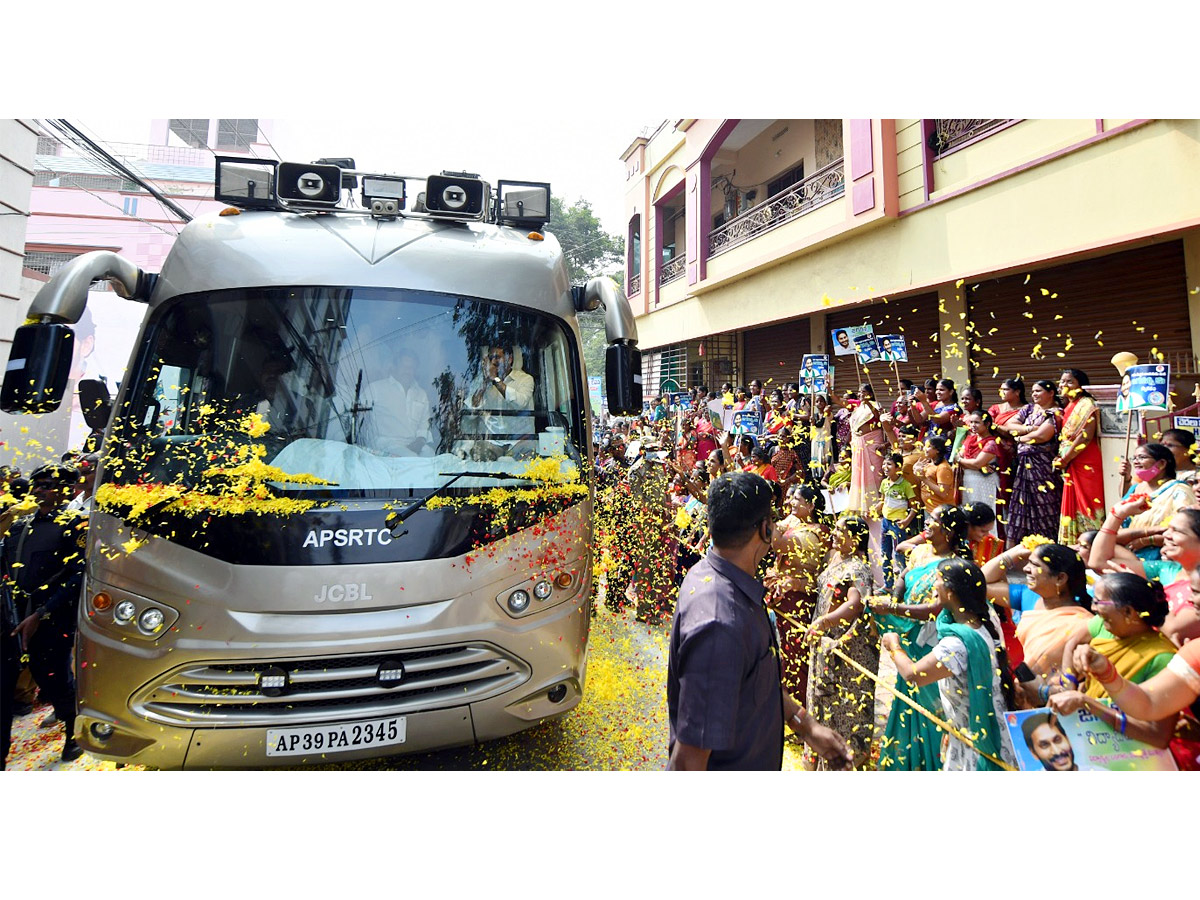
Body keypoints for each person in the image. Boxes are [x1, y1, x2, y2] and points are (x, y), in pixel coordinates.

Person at [667, 472, 852, 770]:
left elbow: (753, 680)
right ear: (766, 530)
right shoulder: (719, 624)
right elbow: (689, 762)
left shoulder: (724, 579)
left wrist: (804, 725)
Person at [882, 557, 1018, 770]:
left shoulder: (957, 644)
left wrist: (894, 646)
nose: (933, 585)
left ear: (951, 592)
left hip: (977, 741)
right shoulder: (981, 619)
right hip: (966, 730)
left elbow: (913, 674)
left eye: (937, 580)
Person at [869, 504, 973, 770]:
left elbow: (934, 610)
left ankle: (932, 765)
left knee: (930, 702)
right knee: (908, 696)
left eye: (934, 520)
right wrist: (895, 594)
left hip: (931, 640)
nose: (926, 523)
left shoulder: (955, 567)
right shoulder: (921, 552)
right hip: (910, 635)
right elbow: (904, 574)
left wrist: (892, 609)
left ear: (949, 532)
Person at [1, 464, 87, 764]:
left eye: (46, 484)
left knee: (54, 681)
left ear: (65, 489)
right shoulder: (18, 526)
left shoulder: (77, 525)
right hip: (12, 620)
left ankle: (73, 731)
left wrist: (41, 614)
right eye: (36, 484)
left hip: (52, 621)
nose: (38, 489)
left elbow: (78, 576)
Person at [805, 515, 881, 769]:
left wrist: (824, 623)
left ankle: (844, 761)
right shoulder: (836, 558)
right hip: (825, 641)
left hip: (846, 649)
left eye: (841, 531)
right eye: (835, 529)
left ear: (855, 539)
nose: (835, 534)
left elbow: (854, 604)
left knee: (845, 706)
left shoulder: (858, 568)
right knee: (821, 703)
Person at [985, 543, 1093, 688]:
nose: (1025, 569)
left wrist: (1043, 693)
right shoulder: (1029, 596)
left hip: (1061, 699)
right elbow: (980, 583)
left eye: (1035, 565)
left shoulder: (1084, 623)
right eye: (1028, 562)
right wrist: (1012, 555)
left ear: (1060, 578)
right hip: (1023, 691)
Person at [767, 484, 831, 701]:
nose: (791, 502)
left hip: (799, 599)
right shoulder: (794, 521)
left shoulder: (816, 532)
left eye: (797, 499)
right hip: (784, 596)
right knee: (783, 651)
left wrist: (769, 512)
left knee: (796, 654)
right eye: (791, 498)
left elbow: (778, 545)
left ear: (811, 506)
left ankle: (798, 707)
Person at [1002, 379, 1063, 546]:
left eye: (1039, 391)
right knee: (1021, 505)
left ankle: (1048, 547)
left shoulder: (1055, 412)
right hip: (1024, 465)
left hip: (1043, 467)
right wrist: (1030, 430)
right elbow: (1010, 425)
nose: (1034, 394)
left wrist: (1020, 438)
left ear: (1051, 393)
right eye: (1033, 391)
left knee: (1044, 504)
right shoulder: (1029, 408)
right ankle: (1018, 549)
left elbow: (1044, 436)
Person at [1118, 443, 1193, 559]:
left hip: (1161, 557)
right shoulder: (1135, 487)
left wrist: (1147, 540)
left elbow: (1187, 531)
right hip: (1128, 555)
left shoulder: (1179, 490)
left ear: (1162, 464)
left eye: (1142, 457)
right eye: (1135, 458)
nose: (1136, 462)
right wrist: (1126, 478)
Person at [1056, 369, 1105, 545]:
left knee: (1088, 502)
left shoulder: (1086, 404)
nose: (1064, 385)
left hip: (1085, 459)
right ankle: (1074, 543)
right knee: (1073, 501)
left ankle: (1092, 543)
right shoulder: (1069, 406)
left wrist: (1065, 458)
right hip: (1071, 460)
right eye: (1062, 382)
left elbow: (1085, 436)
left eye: (1070, 382)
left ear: (1081, 386)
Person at [363, 347, 434, 456]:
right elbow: (358, 417)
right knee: (413, 459)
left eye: (411, 368)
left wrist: (419, 442)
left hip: (412, 445)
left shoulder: (421, 394)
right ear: (394, 367)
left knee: (430, 455)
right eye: (404, 366)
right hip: (384, 444)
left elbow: (424, 424)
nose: (407, 371)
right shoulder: (375, 388)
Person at [468, 343, 536, 442]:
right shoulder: (480, 381)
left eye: (497, 357)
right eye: (491, 358)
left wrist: (495, 379)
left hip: (519, 443)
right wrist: (485, 382)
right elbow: (471, 413)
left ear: (510, 359)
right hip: (490, 443)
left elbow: (520, 404)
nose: (494, 362)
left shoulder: (525, 379)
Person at [875, 452, 919, 592]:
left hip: (898, 524)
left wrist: (906, 521)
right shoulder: (884, 483)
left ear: (898, 467)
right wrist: (876, 509)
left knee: (899, 554)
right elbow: (882, 501)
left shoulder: (905, 485)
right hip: (885, 523)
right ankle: (888, 585)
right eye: (884, 464)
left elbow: (914, 506)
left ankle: (902, 587)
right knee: (885, 553)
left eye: (889, 464)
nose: (885, 467)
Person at [845, 383, 888, 516]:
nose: (860, 394)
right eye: (859, 392)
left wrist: (868, 402)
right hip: (859, 445)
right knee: (859, 474)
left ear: (870, 393)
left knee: (875, 473)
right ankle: (862, 507)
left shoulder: (876, 406)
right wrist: (829, 389)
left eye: (863, 392)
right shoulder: (858, 407)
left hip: (873, 444)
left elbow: (876, 415)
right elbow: (839, 401)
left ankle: (876, 507)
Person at [956, 411, 1004, 526]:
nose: (973, 425)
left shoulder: (992, 443)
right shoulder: (969, 439)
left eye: (977, 422)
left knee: (984, 514)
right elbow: (957, 456)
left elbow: (977, 463)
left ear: (987, 424)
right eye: (971, 422)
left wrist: (961, 461)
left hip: (985, 483)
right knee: (968, 514)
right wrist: (965, 461)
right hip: (967, 482)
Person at [913, 436, 956, 517]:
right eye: (925, 446)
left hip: (941, 513)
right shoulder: (928, 464)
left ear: (937, 450)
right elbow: (921, 483)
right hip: (929, 509)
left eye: (929, 446)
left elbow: (943, 493)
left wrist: (924, 479)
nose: (925, 448)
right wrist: (916, 471)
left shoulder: (943, 468)